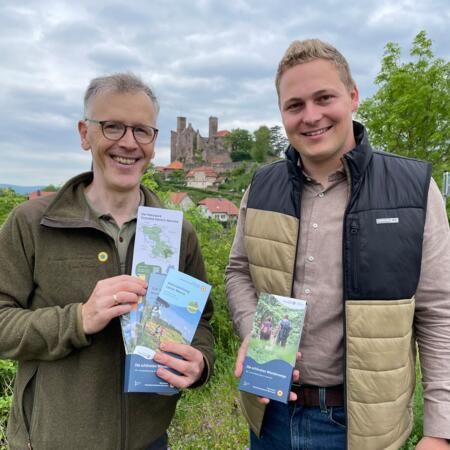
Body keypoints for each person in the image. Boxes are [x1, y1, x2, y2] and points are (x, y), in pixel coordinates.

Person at [226, 39, 450, 450]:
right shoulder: (261, 186)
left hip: (361, 427)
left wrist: (441, 431)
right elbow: (239, 271)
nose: (311, 117)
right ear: (282, 113)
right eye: (295, 105)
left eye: (324, 98)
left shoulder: (414, 189)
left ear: (352, 97)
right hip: (270, 416)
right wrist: (251, 329)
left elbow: (440, 313)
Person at [0, 73, 214, 450]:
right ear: (85, 133)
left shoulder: (177, 232)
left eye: (141, 131)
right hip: (53, 441)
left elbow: (202, 322)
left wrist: (200, 363)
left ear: (154, 142)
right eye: (112, 127)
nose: (128, 143)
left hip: (149, 441)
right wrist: (78, 319)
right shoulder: (31, 222)